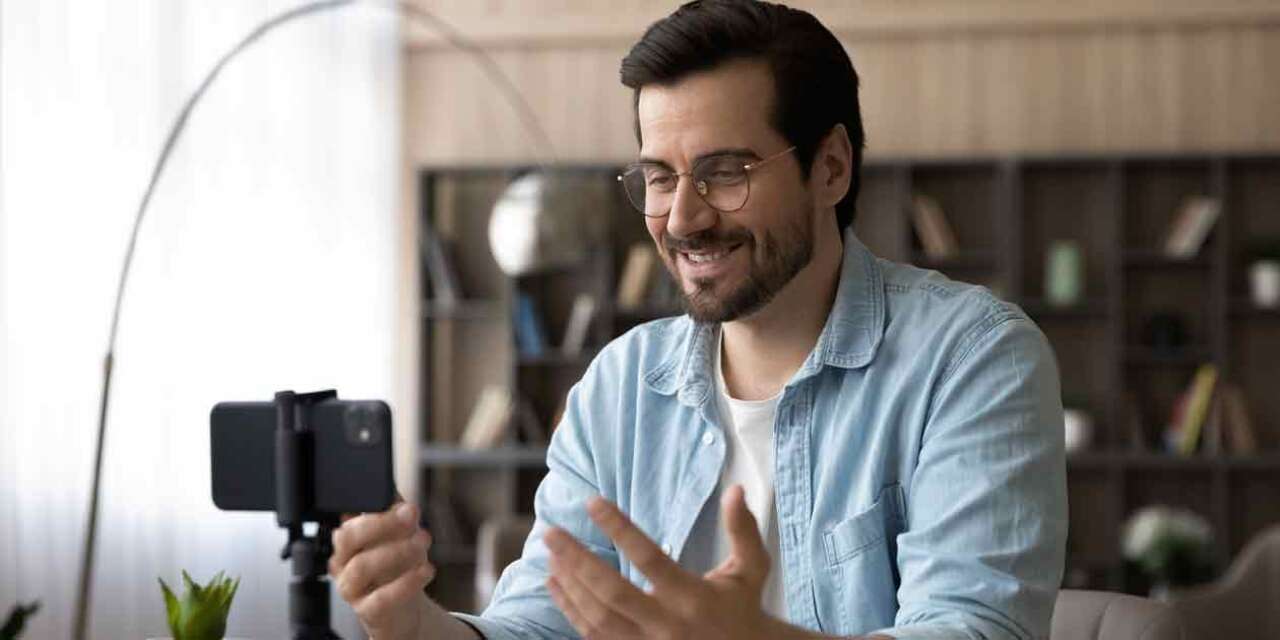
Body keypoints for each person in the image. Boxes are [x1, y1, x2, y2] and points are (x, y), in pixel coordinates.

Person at [329, 1, 1068, 638]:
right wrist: (418, 627)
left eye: (725, 173)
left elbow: (975, 628)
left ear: (832, 168)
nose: (682, 218)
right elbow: (538, 627)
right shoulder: (619, 388)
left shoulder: (972, 358)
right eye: (658, 177)